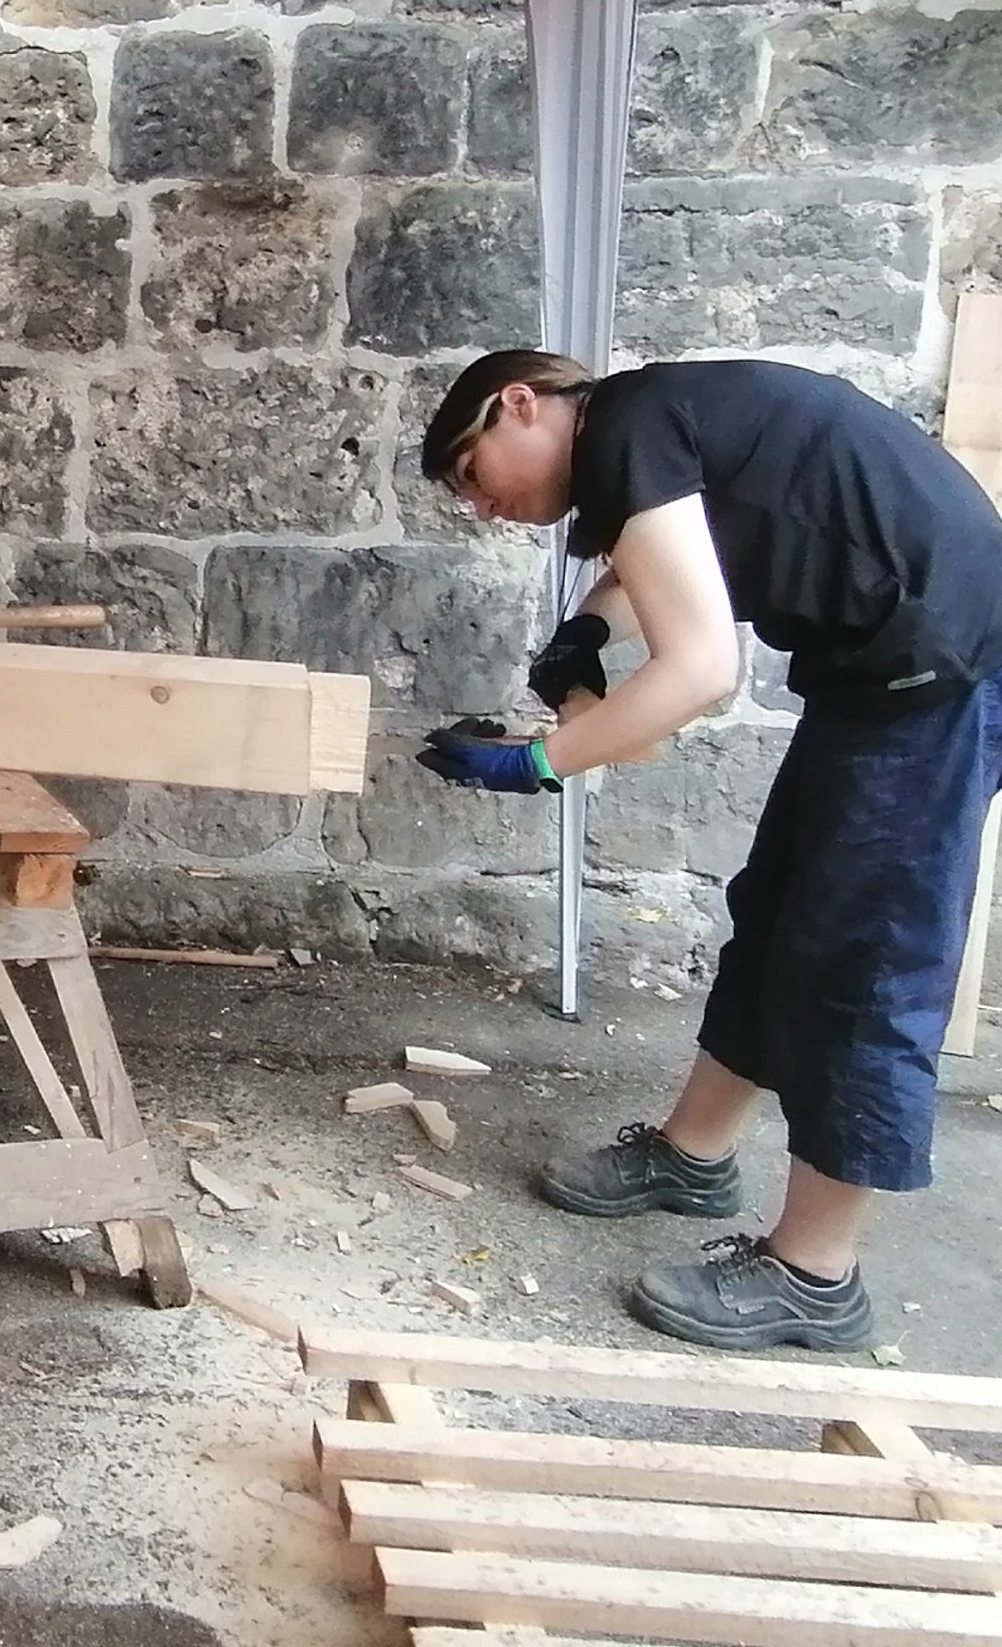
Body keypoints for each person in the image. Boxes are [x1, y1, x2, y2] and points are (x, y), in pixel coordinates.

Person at [414, 347, 1002, 1352]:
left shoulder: (628, 426)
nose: (480, 505)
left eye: (473, 472)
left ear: (520, 404)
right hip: (883, 673)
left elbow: (699, 669)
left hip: (946, 673)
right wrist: (581, 636)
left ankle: (816, 1273)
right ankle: (692, 1157)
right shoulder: (649, 430)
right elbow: (663, 562)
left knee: (864, 963)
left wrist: (534, 765)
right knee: (775, 917)